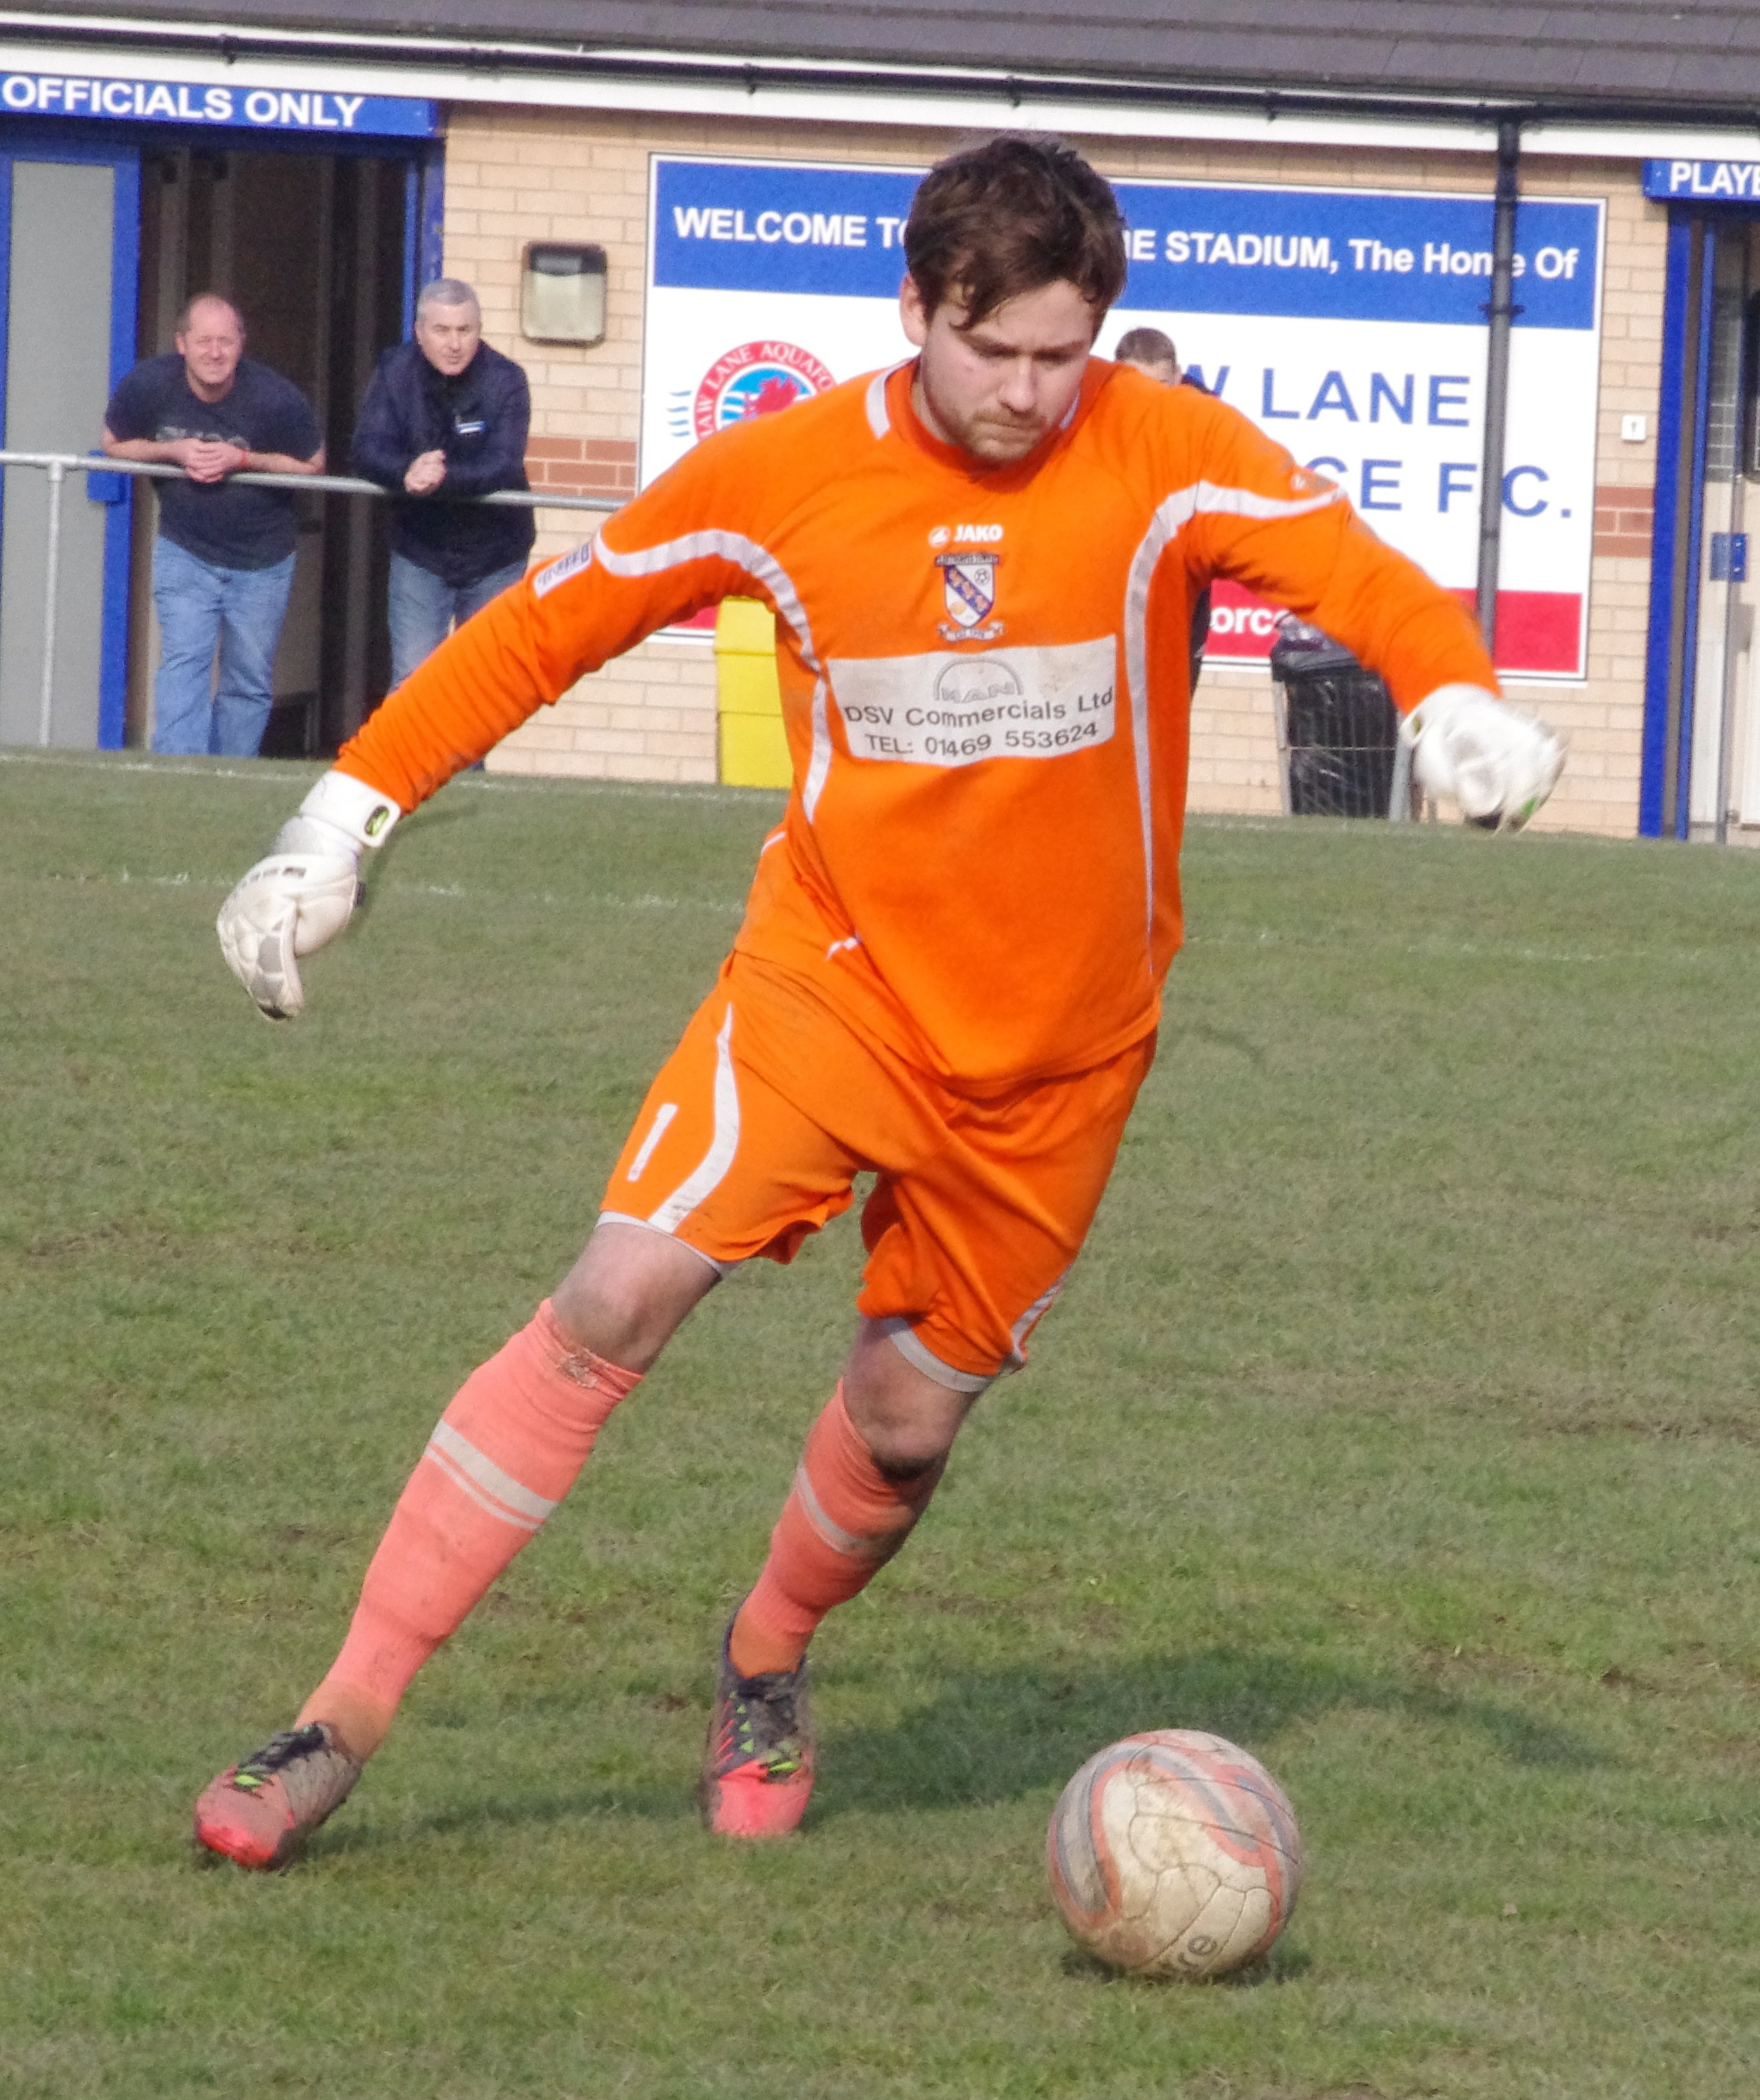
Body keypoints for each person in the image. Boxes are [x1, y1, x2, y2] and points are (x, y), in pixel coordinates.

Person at [200, 135, 1563, 1869]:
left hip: (1062, 1057)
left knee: (908, 1422)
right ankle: (341, 1711)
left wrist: (1450, 693)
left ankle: (764, 1659)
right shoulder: (783, 475)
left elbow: (1357, 576)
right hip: (832, 993)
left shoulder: (1161, 456)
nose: (1021, 391)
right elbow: (545, 626)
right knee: (616, 1292)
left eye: (1060, 353)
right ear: (913, 306)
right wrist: (341, 818)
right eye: (987, 348)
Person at [103, 295, 324, 757]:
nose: (215, 352)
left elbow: (313, 465)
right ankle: (179, 781)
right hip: (185, 550)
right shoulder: (149, 384)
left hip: (264, 560)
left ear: (242, 345)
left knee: (248, 679)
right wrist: (175, 452)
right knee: (184, 664)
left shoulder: (276, 397)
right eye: (204, 341)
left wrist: (245, 460)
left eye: (226, 341)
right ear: (182, 344)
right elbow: (113, 444)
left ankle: (229, 782)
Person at [352, 277, 535, 689]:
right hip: (420, 552)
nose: (454, 344)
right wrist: (406, 472)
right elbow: (366, 449)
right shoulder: (393, 371)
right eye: (442, 331)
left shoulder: (508, 380)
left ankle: (470, 759)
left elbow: (502, 465)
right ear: (419, 333)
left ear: (478, 331)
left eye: (464, 330)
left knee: (480, 688)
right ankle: (417, 758)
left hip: (496, 557)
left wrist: (438, 479)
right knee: (414, 683)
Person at [1115, 326, 1211, 689]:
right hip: (1110, 596)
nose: (1149, 400)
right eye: (1137, 387)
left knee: (1169, 715)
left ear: (1178, 376)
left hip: (1180, 597)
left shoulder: (1207, 428)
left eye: (1160, 386)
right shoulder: (1091, 423)